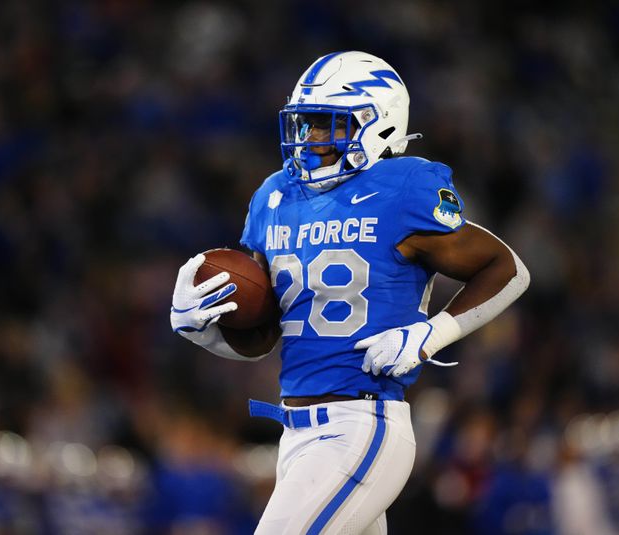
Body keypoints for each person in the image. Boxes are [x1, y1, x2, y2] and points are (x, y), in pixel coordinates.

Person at [170, 51, 530, 535]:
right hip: (294, 432)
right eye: (305, 124)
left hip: (361, 422)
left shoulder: (401, 187)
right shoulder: (275, 196)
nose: (309, 138)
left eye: (326, 124)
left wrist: (430, 334)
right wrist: (201, 328)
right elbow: (263, 336)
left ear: (377, 123)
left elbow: (506, 268)